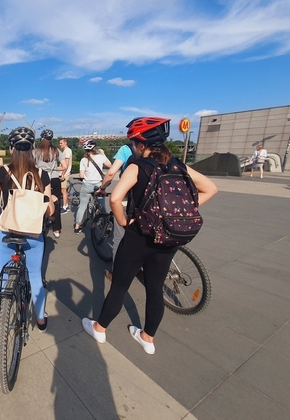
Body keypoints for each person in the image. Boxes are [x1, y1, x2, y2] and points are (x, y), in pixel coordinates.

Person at [82, 117, 217, 354]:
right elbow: (211, 188)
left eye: (134, 142)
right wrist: (179, 214)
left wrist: (123, 221)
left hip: (139, 236)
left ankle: (100, 328)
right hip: (169, 238)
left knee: (120, 285)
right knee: (155, 288)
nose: (133, 147)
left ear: (142, 144)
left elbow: (115, 199)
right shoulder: (178, 165)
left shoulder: (137, 166)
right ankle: (147, 338)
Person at [0, 127, 55, 331]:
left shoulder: (3, 172)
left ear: (11, 149)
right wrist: (49, 199)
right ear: (33, 148)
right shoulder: (42, 174)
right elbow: (50, 211)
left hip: (8, 231)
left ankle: (1, 315)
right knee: (34, 275)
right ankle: (41, 319)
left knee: (4, 274)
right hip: (33, 234)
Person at [96, 143, 134, 280]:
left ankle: (116, 272)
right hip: (152, 199)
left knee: (119, 237)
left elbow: (111, 172)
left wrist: (102, 188)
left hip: (129, 195)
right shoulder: (161, 150)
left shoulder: (127, 148)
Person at [74, 140, 112, 234]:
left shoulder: (83, 160)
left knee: (82, 206)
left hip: (87, 185)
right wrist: (103, 154)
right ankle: (106, 226)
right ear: (95, 148)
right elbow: (110, 165)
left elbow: (81, 176)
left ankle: (77, 226)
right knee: (102, 206)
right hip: (99, 185)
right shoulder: (100, 157)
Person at [34, 129, 64, 238]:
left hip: (40, 178)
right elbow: (64, 166)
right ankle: (56, 229)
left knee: (39, 202)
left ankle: (39, 224)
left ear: (42, 138)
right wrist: (55, 169)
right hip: (54, 178)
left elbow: (32, 166)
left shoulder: (36, 151)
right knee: (56, 202)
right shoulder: (56, 151)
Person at [58, 138, 73, 214]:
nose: (60, 145)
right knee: (64, 190)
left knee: (63, 191)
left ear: (65, 143)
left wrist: (62, 174)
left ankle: (64, 207)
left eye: (61, 143)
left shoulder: (67, 151)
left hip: (64, 173)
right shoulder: (65, 151)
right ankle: (66, 205)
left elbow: (66, 164)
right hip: (63, 173)